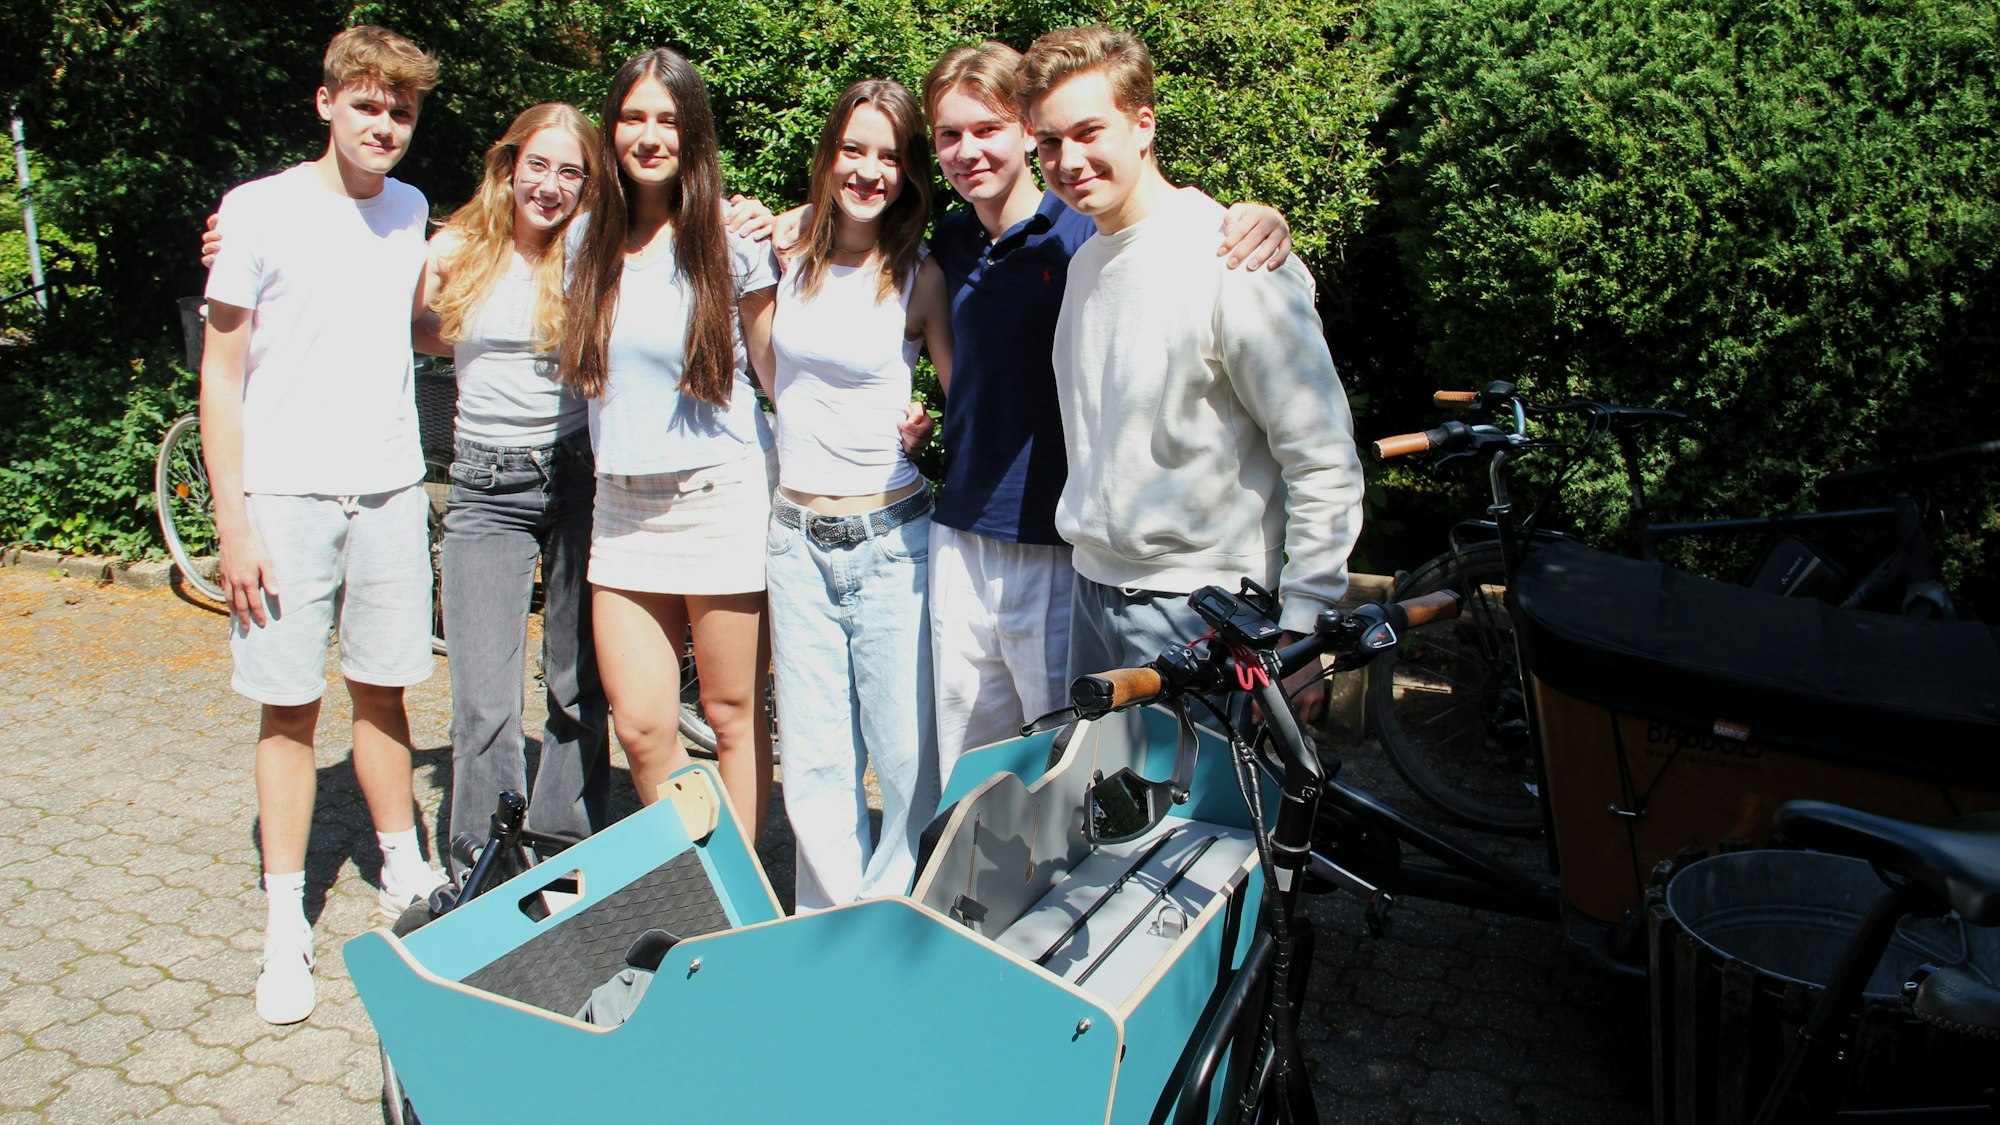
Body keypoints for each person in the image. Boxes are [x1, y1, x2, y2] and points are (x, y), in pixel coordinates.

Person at [918, 42, 1295, 785]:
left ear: (1025, 130)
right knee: (979, 764)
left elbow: (1172, 232)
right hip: (970, 533)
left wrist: (1263, 221)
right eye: (948, 135)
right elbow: (856, 236)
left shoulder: (1084, 227)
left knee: (1071, 768)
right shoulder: (951, 241)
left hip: (1067, 550)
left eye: (988, 129)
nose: (967, 151)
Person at [199, 25, 445, 1026]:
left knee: (383, 695)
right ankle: (283, 924)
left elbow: (424, 323)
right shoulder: (255, 212)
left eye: (400, 110)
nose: (382, 124)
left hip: (388, 488)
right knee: (288, 708)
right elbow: (218, 376)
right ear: (326, 103)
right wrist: (234, 523)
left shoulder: (414, 211)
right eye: (367, 104)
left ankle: (404, 872)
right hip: (284, 501)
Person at [1018, 27, 1365, 721]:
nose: (1068, 160)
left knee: (1214, 828)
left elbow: (1322, 457)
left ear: (1143, 124)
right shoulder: (1087, 259)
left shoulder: (1233, 257)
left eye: (1090, 131)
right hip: (1094, 595)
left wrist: (1301, 630)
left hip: (1210, 613)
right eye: (1050, 143)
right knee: (1113, 824)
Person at [561, 48, 779, 837]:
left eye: (668, 119)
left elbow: (778, 368)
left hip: (717, 495)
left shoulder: (729, 231)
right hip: (620, 509)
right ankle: (695, 874)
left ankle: (740, 901)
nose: (650, 136)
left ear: (693, 134)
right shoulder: (584, 238)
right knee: (643, 726)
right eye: (633, 117)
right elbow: (488, 248)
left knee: (728, 715)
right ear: (611, 125)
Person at [764, 78, 954, 908]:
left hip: (893, 537)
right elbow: (772, 378)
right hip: (795, 536)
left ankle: (893, 924)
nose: (869, 170)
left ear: (911, 170)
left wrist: (927, 430)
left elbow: (967, 399)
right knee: (812, 759)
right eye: (854, 149)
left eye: (890, 154)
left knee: (908, 759)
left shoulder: (921, 276)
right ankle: (827, 931)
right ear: (829, 154)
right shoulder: (783, 253)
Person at [415, 104, 611, 868]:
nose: (552, 186)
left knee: (575, 681)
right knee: (484, 695)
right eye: (539, 164)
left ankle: (565, 842)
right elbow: (414, 319)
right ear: (510, 165)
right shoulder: (455, 247)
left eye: (572, 172)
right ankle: (484, 857)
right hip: (482, 484)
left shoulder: (594, 254)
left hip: (576, 477)